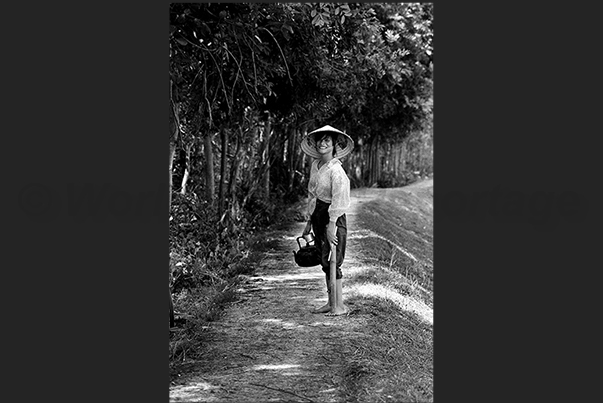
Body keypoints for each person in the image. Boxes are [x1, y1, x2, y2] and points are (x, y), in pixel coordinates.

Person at [301, 125, 354, 316]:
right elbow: (313, 194)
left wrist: (331, 225)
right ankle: (330, 302)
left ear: (334, 146)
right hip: (319, 214)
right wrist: (309, 221)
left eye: (327, 141)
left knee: (334, 259)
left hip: (334, 217)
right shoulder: (317, 166)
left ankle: (338, 306)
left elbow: (340, 200)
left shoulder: (336, 171)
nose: (323, 144)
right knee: (324, 259)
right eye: (320, 140)